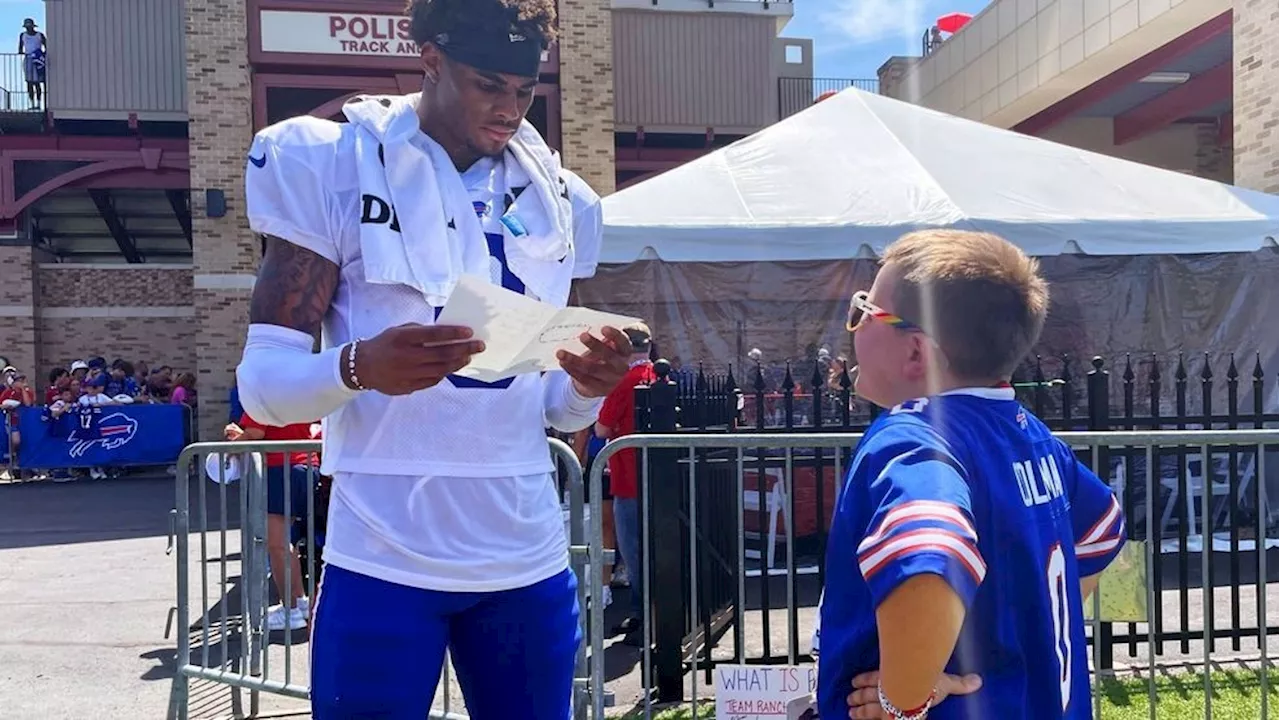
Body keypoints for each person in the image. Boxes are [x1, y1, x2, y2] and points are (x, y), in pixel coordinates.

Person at [235, 0, 631, 716]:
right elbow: (262, 389)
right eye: (489, 84)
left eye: (523, 89)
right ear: (431, 60)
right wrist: (356, 367)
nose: (511, 110)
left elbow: (546, 406)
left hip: (525, 556)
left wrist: (587, 390)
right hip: (382, 556)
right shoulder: (331, 161)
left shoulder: (561, 198)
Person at [818, 230, 1127, 719]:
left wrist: (902, 699)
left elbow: (929, 555)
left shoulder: (912, 437)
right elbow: (1102, 530)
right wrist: (1024, 637)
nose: (851, 327)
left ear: (917, 352)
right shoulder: (1032, 435)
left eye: (862, 311)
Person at [593, 322, 657, 645]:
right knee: (654, 551)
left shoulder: (623, 381)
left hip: (628, 478)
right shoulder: (659, 376)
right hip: (657, 479)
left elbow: (602, 428)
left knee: (633, 553)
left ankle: (644, 617)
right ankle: (646, 615)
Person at [224, 414, 318, 631]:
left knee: (276, 545)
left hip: (281, 468)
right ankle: (299, 602)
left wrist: (233, 443)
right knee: (286, 542)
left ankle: (290, 611)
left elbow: (255, 435)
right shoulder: (296, 389)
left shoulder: (263, 393)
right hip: (304, 465)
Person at [17, 18, 45, 109]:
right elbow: (20, 48)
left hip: (37, 59)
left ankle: (38, 103)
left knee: (37, 82)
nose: (28, 28)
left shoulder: (39, 35)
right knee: (29, 82)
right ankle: (32, 104)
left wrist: (42, 54)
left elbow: (46, 45)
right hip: (28, 58)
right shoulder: (23, 35)